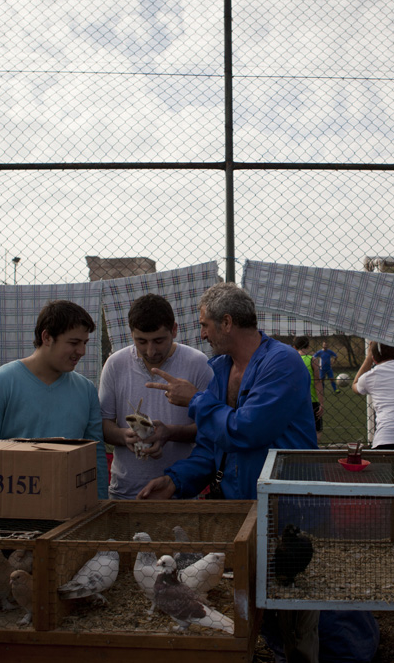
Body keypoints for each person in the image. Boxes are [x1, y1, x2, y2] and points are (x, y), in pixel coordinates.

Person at [137, 282, 320, 663]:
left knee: (295, 606)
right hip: (239, 508)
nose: (201, 333)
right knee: (252, 604)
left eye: (204, 324)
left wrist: (197, 400)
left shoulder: (281, 362)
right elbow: (211, 447)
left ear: (226, 322)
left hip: (284, 509)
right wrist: (175, 480)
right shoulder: (219, 369)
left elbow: (247, 429)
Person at [0, 300, 108, 499]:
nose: (82, 351)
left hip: (69, 507)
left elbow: (95, 455)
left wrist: (99, 502)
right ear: (47, 337)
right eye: (74, 343)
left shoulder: (86, 390)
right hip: (11, 512)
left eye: (84, 343)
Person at [99, 293, 213, 500]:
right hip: (125, 492)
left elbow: (210, 428)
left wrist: (169, 433)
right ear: (131, 333)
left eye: (159, 341)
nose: (150, 351)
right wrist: (125, 436)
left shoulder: (198, 364)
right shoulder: (115, 364)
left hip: (179, 492)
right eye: (141, 341)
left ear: (174, 330)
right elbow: (104, 425)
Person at [292, 336, 324, 441]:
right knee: (316, 433)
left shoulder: (291, 360)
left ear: (294, 347)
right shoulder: (312, 360)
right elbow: (318, 382)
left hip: (295, 401)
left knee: (297, 430)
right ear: (308, 346)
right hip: (312, 401)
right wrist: (321, 403)